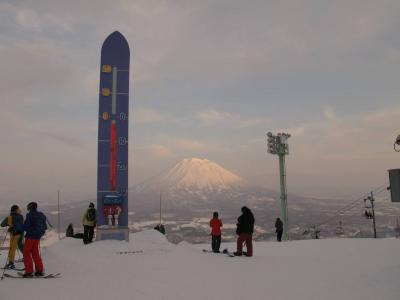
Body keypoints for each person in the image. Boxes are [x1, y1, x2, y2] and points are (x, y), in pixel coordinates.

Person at [22, 202, 47, 277]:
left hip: (30, 236)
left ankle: (29, 271)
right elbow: (45, 226)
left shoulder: (30, 215)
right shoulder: (41, 214)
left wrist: (20, 228)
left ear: (29, 207)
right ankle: (39, 270)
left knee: (26, 253)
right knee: (35, 253)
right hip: (38, 236)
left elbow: (26, 226)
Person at [0, 205, 24, 269]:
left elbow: (2, 224)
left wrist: (9, 225)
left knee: (12, 248)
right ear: (17, 210)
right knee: (20, 245)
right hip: (21, 233)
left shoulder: (9, 217)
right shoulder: (21, 216)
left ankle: (11, 263)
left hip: (14, 234)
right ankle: (26, 257)